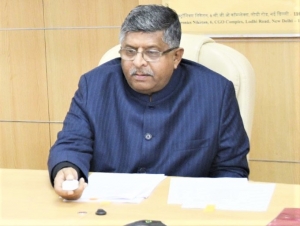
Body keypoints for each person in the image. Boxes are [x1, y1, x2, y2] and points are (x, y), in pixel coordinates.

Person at [48, 4, 250, 200]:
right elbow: (72, 143)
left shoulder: (216, 92)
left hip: (182, 214)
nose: (138, 62)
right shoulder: (94, 85)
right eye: (129, 51)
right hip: (108, 211)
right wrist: (67, 168)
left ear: (176, 57)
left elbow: (230, 168)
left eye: (152, 52)